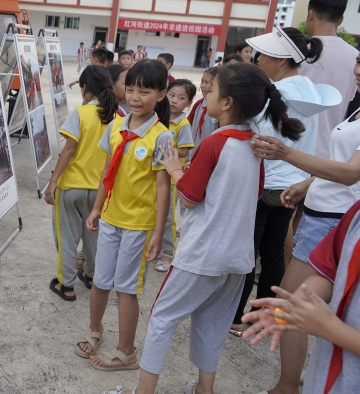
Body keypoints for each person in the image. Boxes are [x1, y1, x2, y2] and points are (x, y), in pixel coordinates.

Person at [103, 62, 304, 394]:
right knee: (213, 324)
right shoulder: (253, 143)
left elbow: (190, 197)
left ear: (227, 103)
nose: (206, 93)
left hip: (202, 254)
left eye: (212, 90)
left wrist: (172, 167)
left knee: (161, 319)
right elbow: (251, 194)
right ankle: (203, 390)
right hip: (238, 259)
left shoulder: (213, 143)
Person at [245, 50, 360, 394]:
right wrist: (308, 183)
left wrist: (287, 154)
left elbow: (352, 172)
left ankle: (287, 385)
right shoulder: (356, 106)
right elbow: (343, 164)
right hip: (327, 217)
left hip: (334, 221)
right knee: (295, 303)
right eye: (359, 61)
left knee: (297, 306)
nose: (357, 69)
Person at [229, 26, 337, 337]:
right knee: (274, 250)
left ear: (280, 59)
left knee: (247, 252)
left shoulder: (275, 93)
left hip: (266, 183)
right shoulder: (311, 89)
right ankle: (261, 313)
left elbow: (258, 140)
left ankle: (236, 317)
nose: (258, 59)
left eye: (263, 55)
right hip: (295, 185)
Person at [76, 60, 172, 371]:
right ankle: (95, 330)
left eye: (144, 91)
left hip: (138, 226)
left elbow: (162, 187)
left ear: (160, 94)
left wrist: (159, 232)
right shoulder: (117, 125)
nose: (135, 97)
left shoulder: (161, 137)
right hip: (111, 219)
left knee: (126, 287)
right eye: (130, 89)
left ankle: (126, 350)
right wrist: (96, 209)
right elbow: (108, 171)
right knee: (101, 280)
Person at [242, 197, 360, 394]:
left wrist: (329, 328)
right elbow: (328, 270)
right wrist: (287, 310)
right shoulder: (355, 214)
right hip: (326, 377)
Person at [44, 66, 119, 301]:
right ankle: (91, 275)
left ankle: (66, 284)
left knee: (67, 237)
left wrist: (53, 180)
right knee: (93, 236)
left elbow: (69, 148)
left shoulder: (80, 113)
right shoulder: (116, 117)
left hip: (72, 186)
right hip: (100, 191)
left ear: (85, 89)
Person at [301, 0, 358, 159]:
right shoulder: (355, 58)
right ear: (340, 20)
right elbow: (347, 104)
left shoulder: (299, 53)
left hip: (291, 151)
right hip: (328, 156)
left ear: (310, 15)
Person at [153, 79, 196, 273]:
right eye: (172, 95)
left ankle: (168, 253)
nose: (174, 101)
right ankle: (156, 246)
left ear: (188, 103)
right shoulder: (159, 117)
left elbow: (185, 151)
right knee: (154, 213)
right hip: (156, 175)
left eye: (181, 98)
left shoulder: (183, 124)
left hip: (171, 178)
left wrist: (163, 149)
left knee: (168, 216)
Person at [187, 67, 220, 154]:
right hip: (193, 151)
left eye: (207, 82)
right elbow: (188, 124)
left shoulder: (219, 108)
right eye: (202, 81)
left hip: (209, 153)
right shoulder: (198, 104)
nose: (202, 86)